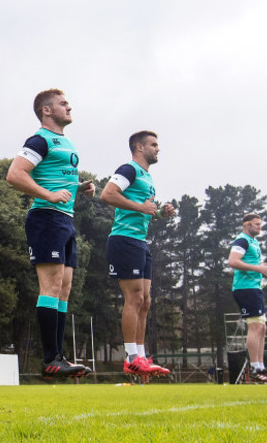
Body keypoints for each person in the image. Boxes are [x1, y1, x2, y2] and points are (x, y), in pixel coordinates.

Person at [6, 89, 94, 379]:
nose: (70, 107)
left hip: (65, 220)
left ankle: (59, 356)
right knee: (51, 285)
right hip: (46, 218)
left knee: (64, 287)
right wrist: (48, 195)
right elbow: (16, 174)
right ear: (46, 110)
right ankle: (50, 359)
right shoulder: (39, 139)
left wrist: (79, 188)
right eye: (63, 103)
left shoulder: (65, 141)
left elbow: (56, 178)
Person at [100, 130, 175, 378]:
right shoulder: (129, 169)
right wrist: (141, 207)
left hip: (140, 242)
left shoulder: (147, 178)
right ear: (139, 148)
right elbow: (107, 194)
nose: (158, 149)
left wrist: (160, 213)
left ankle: (141, 357)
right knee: (133, 298)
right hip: (124, 240)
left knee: (145, 301)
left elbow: (144, 210)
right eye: (154, 144)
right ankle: (131, 357)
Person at [227, 213, 267, 384]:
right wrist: (257, 269)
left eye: (260, 224)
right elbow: (233, 261)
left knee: (262, 328)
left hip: (255, 288)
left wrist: (265, 268)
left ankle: (261, 367)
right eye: (256, 224)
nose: (259, 227)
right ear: (247, 224)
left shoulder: (254, 242)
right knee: (255, 326)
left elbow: (254, 263)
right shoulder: (242, 240)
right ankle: (257, 368)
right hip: (245, 288)